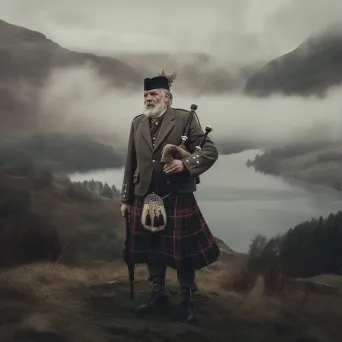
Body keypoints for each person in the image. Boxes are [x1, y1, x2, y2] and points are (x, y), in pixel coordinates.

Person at [120, 71, 220, 323]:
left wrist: (185, 165)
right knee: (153, 250)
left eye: (153, 94)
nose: (148, 99)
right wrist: (126, 198)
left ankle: (186, 301)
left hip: (176, 195)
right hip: (144, 195)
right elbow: (130, 162)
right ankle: (158, 295)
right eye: (145, 95)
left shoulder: (185, 119)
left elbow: (210, 150)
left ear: (166, 97)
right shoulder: (137, 123)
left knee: (183, 254)